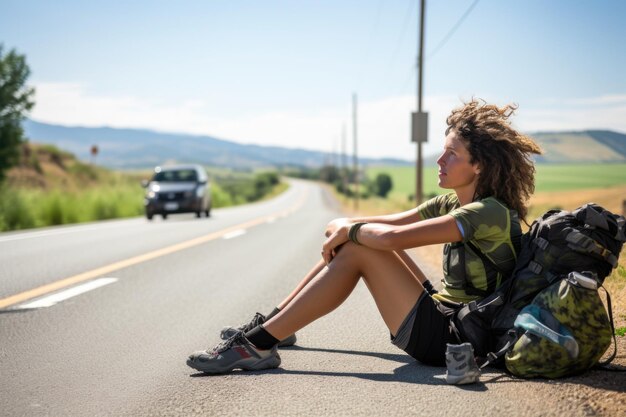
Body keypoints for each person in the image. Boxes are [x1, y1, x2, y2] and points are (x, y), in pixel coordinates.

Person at [187, 98, 542, 375]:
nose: (440, 159)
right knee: (356, 239)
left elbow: (388, 240)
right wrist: (345, 225)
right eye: (443, 150)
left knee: (361, 249)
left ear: (478, 165)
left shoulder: (488, 212)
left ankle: (257, 345)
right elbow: (386, 224)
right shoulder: (450, 201)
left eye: (452, 154)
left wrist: (349, 230)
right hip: (444, 312)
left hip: (456, 339)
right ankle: (271, 325)